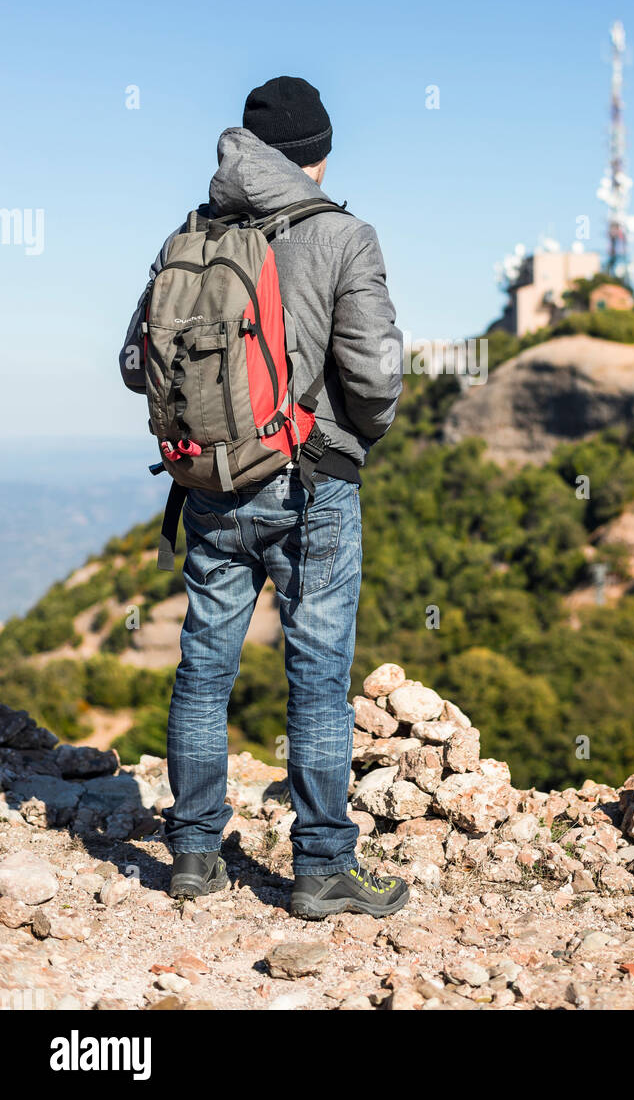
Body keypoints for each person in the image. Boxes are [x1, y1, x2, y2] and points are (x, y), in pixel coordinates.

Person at [119, 76, 408, 919]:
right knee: (317, 678)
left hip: (208, 485)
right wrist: (354, 437)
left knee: (205, 667)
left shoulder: (192, 233)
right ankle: (320, 868)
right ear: (320, 154)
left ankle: (192, 854)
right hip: (313, 485)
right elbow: (375, 374)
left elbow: (137, 364)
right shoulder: (343, 236)